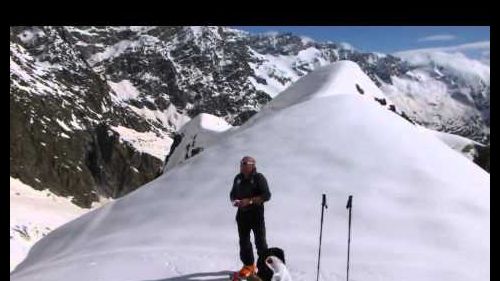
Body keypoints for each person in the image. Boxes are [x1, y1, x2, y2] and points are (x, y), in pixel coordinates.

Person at [230, 156, 271, 278]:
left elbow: (267, 195)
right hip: (242, 215)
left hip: (256, 215)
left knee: (260, 242)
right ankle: (249, 266)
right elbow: (232, 193)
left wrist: (250, 201)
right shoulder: (238, 178)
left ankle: (264, 269)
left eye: (245, 163)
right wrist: (235, 200)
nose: (242, 165)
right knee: (244, 241)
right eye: (241, 163)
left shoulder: (259, 178)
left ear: (252, 165)